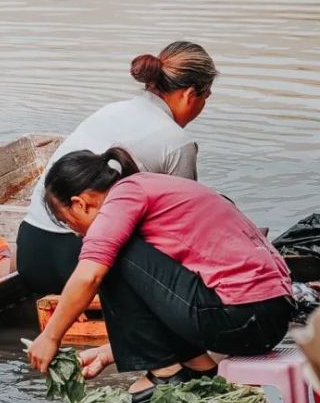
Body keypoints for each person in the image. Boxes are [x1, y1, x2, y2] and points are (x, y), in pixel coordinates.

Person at [25, 148, 292, 403]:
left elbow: (89, 276)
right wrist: (112, 350)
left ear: (79, 203)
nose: (76, 233)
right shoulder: (151, 186)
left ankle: (165, 375)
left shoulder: (125, 196)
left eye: (68, 222)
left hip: (241, 316)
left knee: (105, 255)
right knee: (110, 251)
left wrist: (50, 337)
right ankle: (199, 368)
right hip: (270, 317)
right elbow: (163, 292)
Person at [12, 41, 217, 295]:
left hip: (31, 255)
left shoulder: (110, 111)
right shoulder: (177, 143)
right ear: (189, 94)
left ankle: (4, 268)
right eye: (206, 96)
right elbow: (184, 230)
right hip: (84, 268)